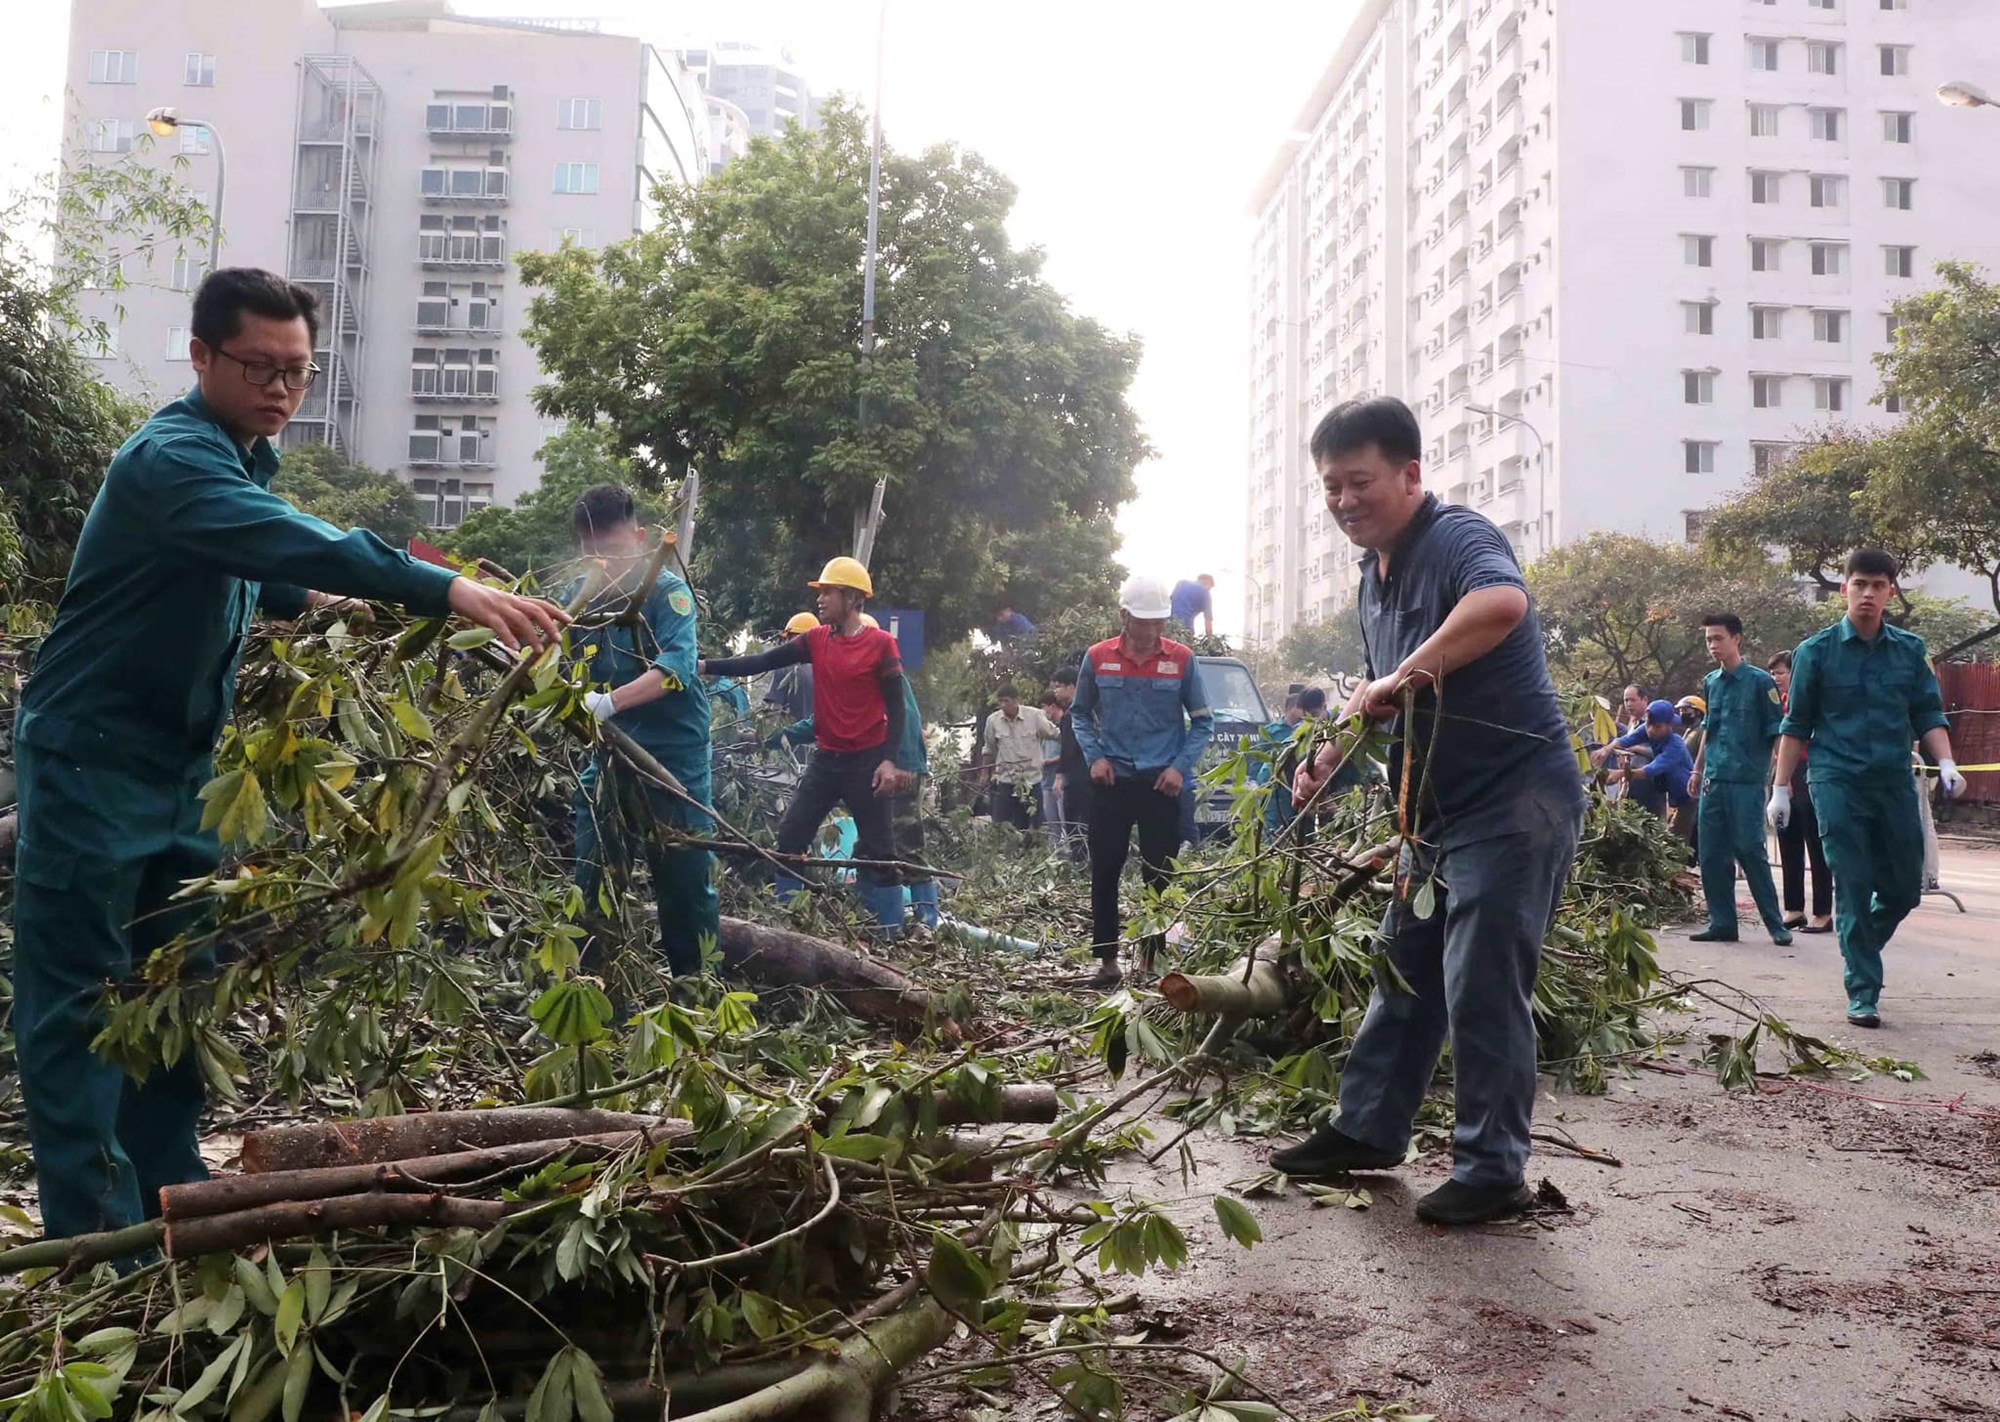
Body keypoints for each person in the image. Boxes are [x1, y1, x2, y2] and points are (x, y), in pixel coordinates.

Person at [9, 268, 567, 1241]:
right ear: (200, 357)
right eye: (259, 366)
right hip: (89, 763)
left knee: (174, 998)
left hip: (183, 774)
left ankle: (169, 1212)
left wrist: (363, 616)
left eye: (298, 373)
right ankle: (93, 1255)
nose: (280, 389)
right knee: (79, 1011)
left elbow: (272, 576)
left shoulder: (236, 466)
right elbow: (277, 537)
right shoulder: (171, 461)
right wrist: (437, 590)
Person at [1273, 395, 1586, 1227]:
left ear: (1411, 475)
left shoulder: (1459, 538)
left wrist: (1393, 684)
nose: (1344, 501)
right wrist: (1331, 756)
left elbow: (1500, 607)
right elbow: (1386, 703)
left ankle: (1493, 1170)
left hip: (1517, 799)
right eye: (1331, 487)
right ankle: (1367, 1127)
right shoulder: (1371, 580)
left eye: (1360, 482)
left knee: (1482, 979)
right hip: (1436, 815)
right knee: (1402, 968)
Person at [1771, 550, 1966, 1028]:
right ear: (1844, 590)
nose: (1867, 593)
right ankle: (1863, 988)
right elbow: (1796, 725)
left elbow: (1927, 713)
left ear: (1890, 593)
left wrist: (1946, 762)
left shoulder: (1908, 650)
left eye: (1878, 585)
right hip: (1836, 781)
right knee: (1853, 883)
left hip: (1893, 781)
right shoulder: (1815, 652)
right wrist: (1779, 789)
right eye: (1859, 584)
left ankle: (1858, 948)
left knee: (1904, 889)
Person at [699, 558, 917, 932]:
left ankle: (891, 933)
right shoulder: (817, 640)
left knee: (880, 851)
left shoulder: (881, 645)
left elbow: (897, 709)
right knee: (791, 836)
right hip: (826, 761)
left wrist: (889, 762)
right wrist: (704, 665)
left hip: (867, 762)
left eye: (828, 592)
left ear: (851, 598)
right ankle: (790, 919)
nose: (820, 599)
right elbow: (762, 661)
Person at [568, 484, 716, 979]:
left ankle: (694, 993)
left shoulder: (667, 593)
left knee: (684, 883)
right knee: (593, 877)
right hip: (610, 755)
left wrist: (609, 702)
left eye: (612, 550)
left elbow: (677, 667)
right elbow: (555, 648)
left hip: (674, 759)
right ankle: (592, 993)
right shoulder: (581, 597)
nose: (604, 562)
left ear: (640, 537)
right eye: (594, 553)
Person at [1070, 575, 1214, 987]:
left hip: (1160, 784)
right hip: (1112, 781)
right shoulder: (1097, 657)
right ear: (1124, 617)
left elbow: (1203, 722)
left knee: (1159, 873)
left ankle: (1151, 958)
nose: (1152, 632)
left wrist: (1179, 768)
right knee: (1106, 868)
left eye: (1159, 623)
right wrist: (1094, 757)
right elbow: (1080, 713)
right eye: (1144, 622)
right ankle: (1107, 961)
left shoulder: (1183, 660)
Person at [768, 611, 937, 928]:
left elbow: (906, 720)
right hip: (877, 765)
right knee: (867, 848)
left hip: (901, 770)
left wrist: (898, 766)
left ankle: (927, 919)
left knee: (905, 844)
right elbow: (824, 723)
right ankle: (873, 915)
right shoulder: (842, 667)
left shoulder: (881, 673)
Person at [1685, 613, 1791, 947]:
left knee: (1750, 849)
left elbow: (1778, 730)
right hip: (1714, 779)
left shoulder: (1761, 682)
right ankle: (1722, 922)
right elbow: (1709, 730)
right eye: (1708, 640)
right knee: (1712, 854)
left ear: (1737, 639)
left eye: (1719, 638)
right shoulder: (1711, 683)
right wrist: (1697, 769)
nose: (1713, 645)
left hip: (1746, 780)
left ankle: (1775, 923)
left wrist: (1779, 780)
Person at [1767, 650, 1832, 935]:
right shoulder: (1779, 702)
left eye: (1782, 672)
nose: (1777, 678)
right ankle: (1794, 909)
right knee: (1788, 839)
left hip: (1810, 770)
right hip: (1785, 773)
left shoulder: (1813, 699)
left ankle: (1823, 912)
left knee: (1816, 844)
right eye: (1773, 673)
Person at [982, 687, 1060, 831]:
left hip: (1032, 781)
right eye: (1000, 702)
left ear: (1017, 700)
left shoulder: (1034, 716)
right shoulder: (993, 721)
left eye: (1007, 701)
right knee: (1002, 827)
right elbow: (989, 749)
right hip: (1006, 781)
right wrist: (985, 774)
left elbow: (1056, 734)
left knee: (1034, 827)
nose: (1003, 705)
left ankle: (1032, 851)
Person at [1603, 700, 1695, 820]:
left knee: (1679, 833)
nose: (1651, 730)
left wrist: (1619, 774)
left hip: (1688, 798)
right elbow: (1625, 740)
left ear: (1669, 726)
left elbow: (1650, 770)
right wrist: (1605, 750)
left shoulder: (1675, 745)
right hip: (1671, 796)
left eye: (1657, 726)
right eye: (1648, 724)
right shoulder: (1647, 729)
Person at [1049, 668, 1090, 858]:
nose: (1055, 692)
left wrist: (1060, 776)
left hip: (1081, 777)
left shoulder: (1077, 714)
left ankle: (1082, 861)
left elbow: (1069, 749)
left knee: (1077, 821)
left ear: (1072, 687)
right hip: (1083, 776)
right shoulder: (1081, 711)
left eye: (1059, 687)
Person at [762, 612, 819, 722]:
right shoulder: (828, 669)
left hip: (793, 738)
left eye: (787, 639)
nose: (785, 644)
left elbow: (772, 717)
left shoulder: (784, 668)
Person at [1039, 695, 1067, 842]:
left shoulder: (1064, 726)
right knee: (1052, 823)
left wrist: (1049, 761)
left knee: (1066, 823)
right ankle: (1053, 857)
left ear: (1053, 706)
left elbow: (1070, 753)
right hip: (1046, 780)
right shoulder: (1045, 730)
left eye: (1044, 707)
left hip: (1061, 779)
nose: (1043, 711)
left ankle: (1071, 856)